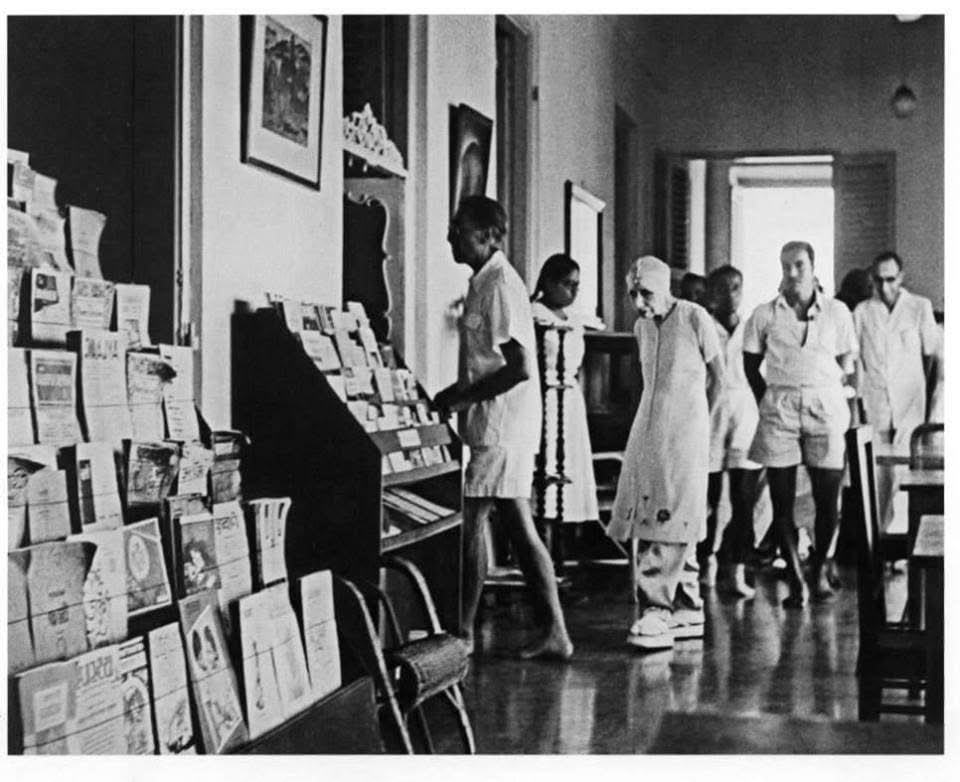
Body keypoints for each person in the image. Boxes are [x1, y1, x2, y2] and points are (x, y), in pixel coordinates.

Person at [434, 195, 573, 660]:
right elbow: (486, 362)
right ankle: (555, 631)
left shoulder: (499, 284)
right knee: (518, 526)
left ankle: (463, 632)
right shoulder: (483, 282)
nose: (451, 237)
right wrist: (452, 394)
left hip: (503, 427)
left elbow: (519, 368)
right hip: (495, 425)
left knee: (471, 522)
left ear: (488, 236)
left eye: (459, 230)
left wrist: (460, 398)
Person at [608, 256, 724, 650]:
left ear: (665, 288)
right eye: (633, 294)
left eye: (646, 293)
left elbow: (719, 379)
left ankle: (657, 606)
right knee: (653, 509)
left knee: (675, 511)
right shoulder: (642, 327)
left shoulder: (694, 317)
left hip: (687, 431)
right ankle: (687, 607)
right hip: (649, 426)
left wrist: (704, 428)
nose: (639, 302)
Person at [743, 241, 858, 606]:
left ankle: (819, 569)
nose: (792, 273)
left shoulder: (837, 312)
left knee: (828, 501)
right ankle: (796, 579)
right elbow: (750, 365)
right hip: (781, 408)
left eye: (799, 265)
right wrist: (768, 400)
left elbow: (849, 364)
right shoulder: (765, 314)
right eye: (786, 266)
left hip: (826, 406)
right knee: (781, 503)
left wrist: (840, 396)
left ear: (812, 266)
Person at [853, 251, 940, 528]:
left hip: (911, 404)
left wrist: (924, 400)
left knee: (907, 474)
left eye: (890, 279)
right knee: (878, 477)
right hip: (876, 402)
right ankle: (879, 541)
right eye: (879, 280)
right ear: (872, 279)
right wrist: (858, 405)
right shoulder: (862, 312)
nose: (885, 286)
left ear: (901, 277)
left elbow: (930, 356)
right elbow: (856, 361)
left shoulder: (919, 307)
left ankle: (905, 540)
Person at [699, 265, 763, 598]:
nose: (731, 295)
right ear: (711, 293)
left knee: (743, 499)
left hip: (745, 414)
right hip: (709, 414)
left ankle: (736, 567)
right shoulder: (702, 326)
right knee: (707, 499)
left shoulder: (752, 327)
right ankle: (705, 561)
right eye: (723, 288)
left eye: (736, 287)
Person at [529, 254, 600, 526]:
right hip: (544, 395)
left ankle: (569, 527)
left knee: (571, 463)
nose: (574, 291)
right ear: (549, 282)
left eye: (577, 285)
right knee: (548, 460)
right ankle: (542, 523)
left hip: (570, 397)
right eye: (568, 284)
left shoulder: (574, 318)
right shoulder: (535, 314)